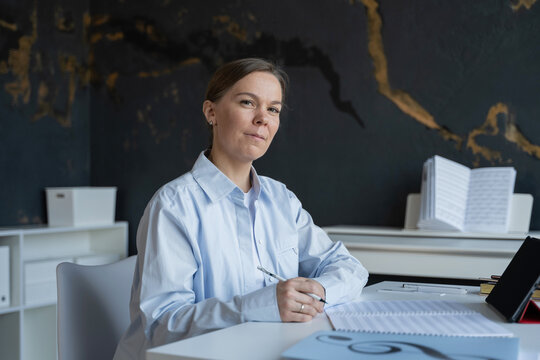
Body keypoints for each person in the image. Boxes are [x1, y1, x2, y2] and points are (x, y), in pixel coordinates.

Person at [113, 58, 368, 360]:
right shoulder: (173, 206)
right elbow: (161, 326)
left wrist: (314, 294)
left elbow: (348, 267)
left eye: (273, 109)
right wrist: (262, 305)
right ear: (211, 112)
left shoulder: (282, 200)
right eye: (248, 102)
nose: (263, 118)